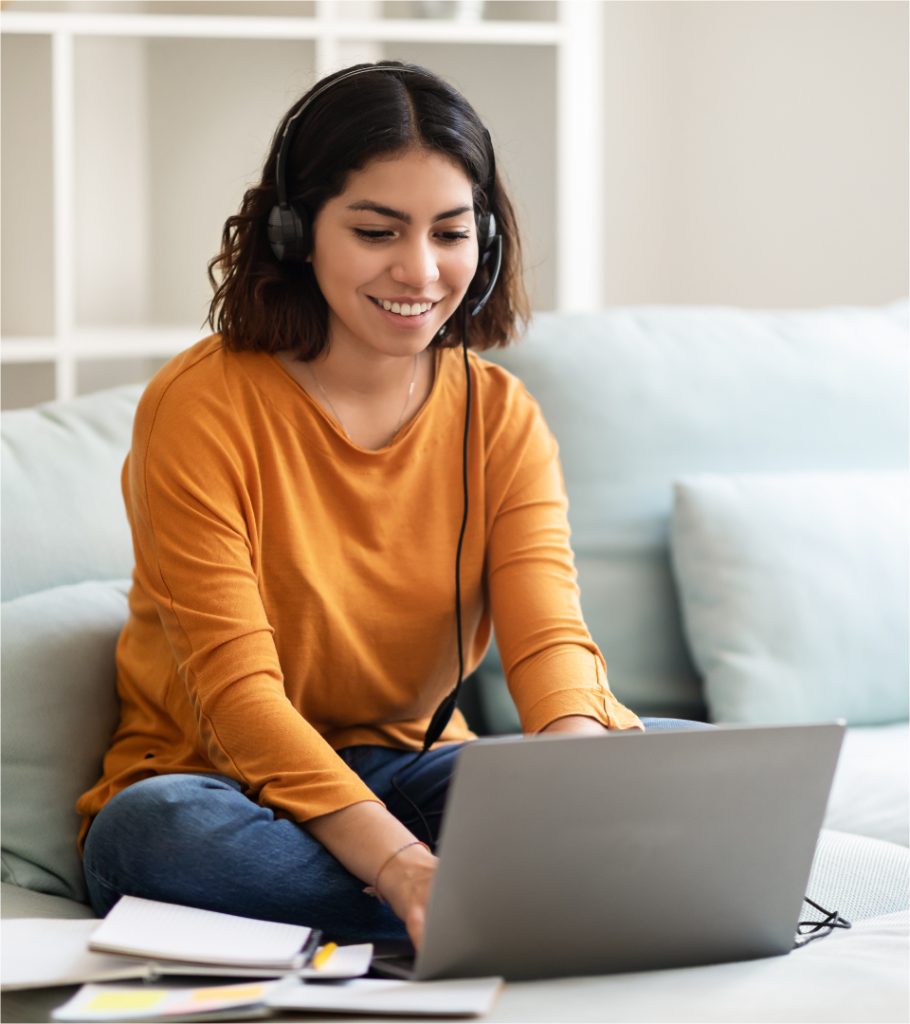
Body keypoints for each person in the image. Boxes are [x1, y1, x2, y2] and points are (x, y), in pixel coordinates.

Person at [77, 61, 693, 951]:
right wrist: (400, 862)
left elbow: (549, 637)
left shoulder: (502, 416)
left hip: (413, 768)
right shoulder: (200, 408)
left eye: (450, 233)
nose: (420, 270)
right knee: (157, 835)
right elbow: (239, 701)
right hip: (217, 786)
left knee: (679, 761)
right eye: (377, 232)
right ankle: (502, 903)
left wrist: (577, 768)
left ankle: (464, 903)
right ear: (296, 234)